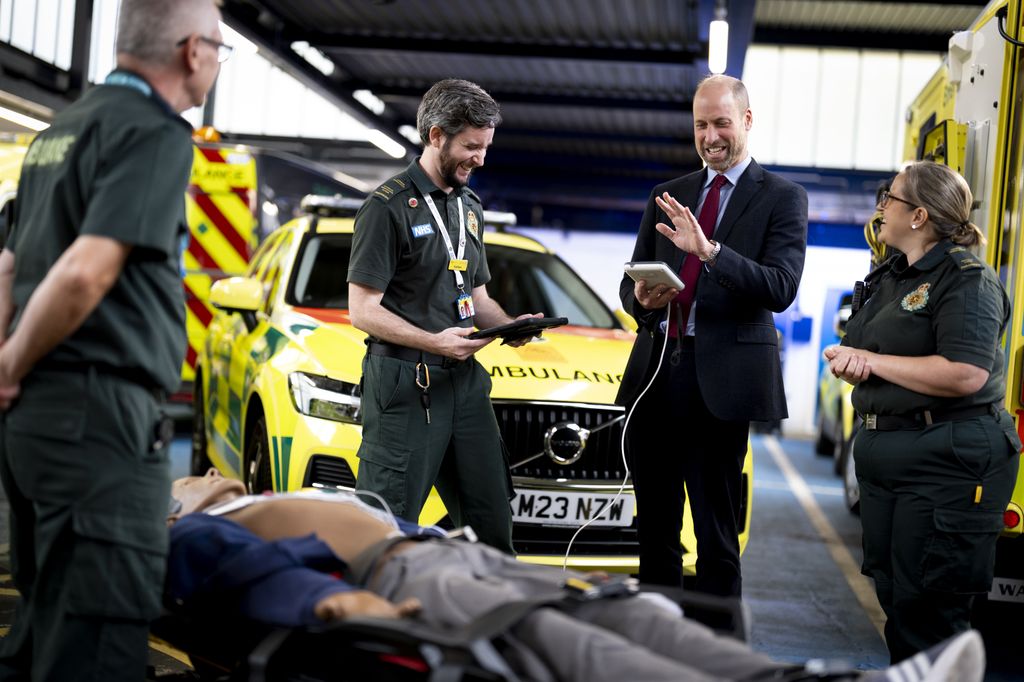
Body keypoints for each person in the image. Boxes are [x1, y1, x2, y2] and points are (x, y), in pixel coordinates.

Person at [166, 469, 986, 682]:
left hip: (460, 557)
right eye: (181, 479)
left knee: (641, 618)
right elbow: (244, 574)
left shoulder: (259, 497)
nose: (198, 471)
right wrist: (330, 601)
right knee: (565, 646)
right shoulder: (197, 531)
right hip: (408, 575)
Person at [0, 1, 228, 678]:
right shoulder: (155, 133)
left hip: (36, 427)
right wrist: (9, 365)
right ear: (193, 51)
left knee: (44, 624)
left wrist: (8, 375)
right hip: (96, 424)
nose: (217, 61)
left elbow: (8, 263)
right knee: (98, 639)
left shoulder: (59, 130)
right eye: (219, 48)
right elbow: (85, 270)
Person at [616, 74, 808, 598]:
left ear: (746, 120)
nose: (710, 136)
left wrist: (711, 253)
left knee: (716, 537)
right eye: (701, 125)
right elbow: (630, 282)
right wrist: (643, 300)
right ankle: (655, 646)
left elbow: (781, 287)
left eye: (721, 122)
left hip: (722, 386)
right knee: (654, 532)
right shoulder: (668, 195)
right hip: (657, 374)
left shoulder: (783, 198)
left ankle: (719, 655)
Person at [824, 161, 1021, 663]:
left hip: (943, 464)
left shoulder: (966, 279)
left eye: (890, 197)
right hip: (889, 459)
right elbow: (880, 356)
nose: (881, 207)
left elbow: (966, 372)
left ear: (918, 216)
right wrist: (856, 362)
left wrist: (871, 360)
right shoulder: (892, 276)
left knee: (928, 614)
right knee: (898, 601)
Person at [347, 79, 539, 553]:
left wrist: (510, 325)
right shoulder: (384, 207)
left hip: (463, 384)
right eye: (472, 146)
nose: (481, 159)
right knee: (384, 529)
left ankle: (484, 621)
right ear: (436, 136)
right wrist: (435, 342)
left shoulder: (469, 207)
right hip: (405, 382)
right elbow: (362, 310)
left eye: (486, 146)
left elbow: (477, 295)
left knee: (491, 526)